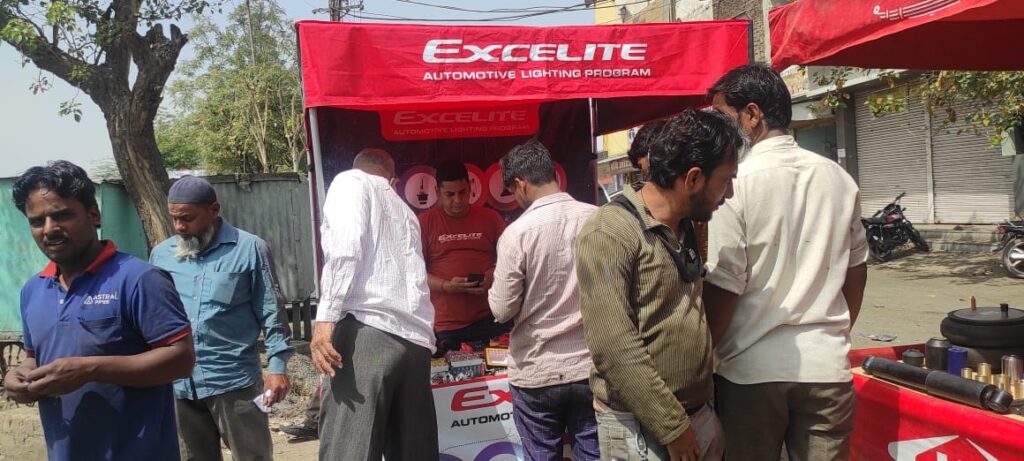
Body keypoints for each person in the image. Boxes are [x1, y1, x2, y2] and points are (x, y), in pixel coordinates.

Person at [704, 63, 869, 461]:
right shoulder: (838, 178)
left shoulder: (736, 184)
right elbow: (856, 273)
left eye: (724, 117)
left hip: (749, 372)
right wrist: (833, 334)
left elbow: (724, 286)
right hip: (826, 368)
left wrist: (707, 356)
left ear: (752, 115)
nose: (720, 131)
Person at [576, 109, 742, 461]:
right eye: (726, 180)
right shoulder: (610, 231)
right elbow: (612, 346)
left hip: (696, 417)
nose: (729, 193)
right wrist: (672, 426)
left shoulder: (687, 225)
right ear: (694, 178)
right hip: (642, 428)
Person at [3, 161, 195, 461]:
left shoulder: (139, 279)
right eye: (37, 221)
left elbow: (181, 359)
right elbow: (34, 357)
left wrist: (89, 370)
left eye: (61, 215)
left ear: (94, 215)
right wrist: (20, 376)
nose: (49, 229)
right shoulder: (33, 290)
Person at [150, 176, 294, 461]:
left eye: (187, 218)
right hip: (180, 385)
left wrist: (278, 368)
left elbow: (272, 312)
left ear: (214, 210)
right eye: (174, 218)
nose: (179, 227)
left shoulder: (249, 249)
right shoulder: (161, 255)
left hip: (234, 382)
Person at [310, 148, 438, 461]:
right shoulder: (406, 211)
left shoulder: (351, 181)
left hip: (369, 339)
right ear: (393, 180)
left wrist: (325, 319)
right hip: (415, 347)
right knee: (414, 453)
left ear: (359, 167)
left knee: (349, 451)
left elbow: (346, 249)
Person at [489, 141, 599, 461]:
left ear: (520, 183)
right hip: (589, 365)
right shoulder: (597, 218)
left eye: (512, 190)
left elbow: (502, 308)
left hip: (537, 370)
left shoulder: (517, 233)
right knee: (594, 454)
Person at [418, 160, 509, 354]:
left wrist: (490, 277)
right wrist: (446, 286)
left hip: (490, 317)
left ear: (470, 187)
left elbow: (510, 261)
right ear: (437, 191)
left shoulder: (491, 218)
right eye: (450, 194)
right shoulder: (424, 223)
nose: (457, 200)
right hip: (446, 326)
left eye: (462, 192)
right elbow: (414, 272)